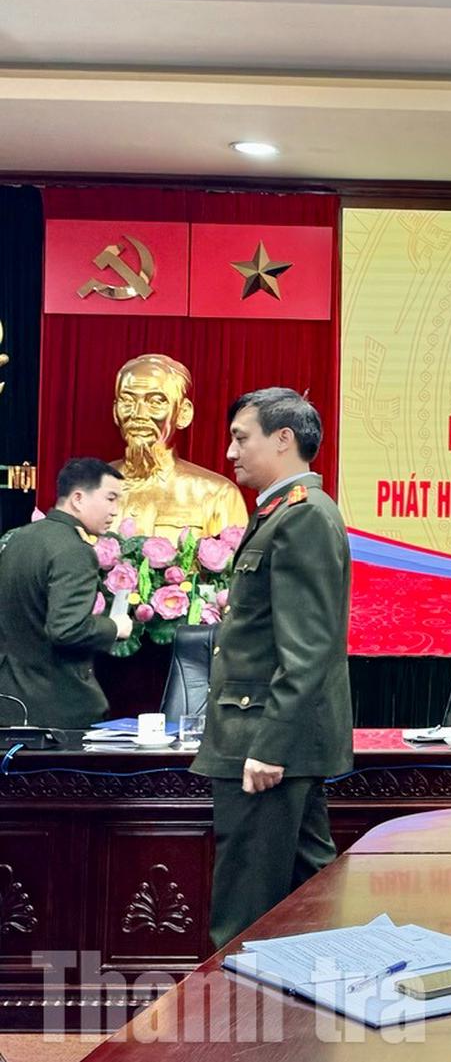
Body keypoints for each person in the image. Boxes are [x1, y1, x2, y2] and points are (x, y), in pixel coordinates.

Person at [191, 388, 352, 949]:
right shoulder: (283, 512)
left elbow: (308, 649)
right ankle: (314, 1004)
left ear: (283, 439)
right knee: (309, 902)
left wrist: (270, 746)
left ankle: (234, 1009)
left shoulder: (302, 517)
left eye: (242, 438)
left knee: (245, 911)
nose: (231, 452)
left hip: (263, 742)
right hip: (271, 738)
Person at [0, 459, 133, 728]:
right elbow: (67, 629)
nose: (115, 510)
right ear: (78, 499)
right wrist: (115, 627)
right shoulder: (74, 550)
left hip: (10, 702)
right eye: (110, 498)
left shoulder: (19, 539)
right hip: (59, 709)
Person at [111, 353, 248, 540]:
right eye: (127, 401)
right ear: (115, 411)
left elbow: (235, 557)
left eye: (155, 402)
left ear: (183, 413)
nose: (138, 414)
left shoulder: (218, 494)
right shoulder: (87, 488)